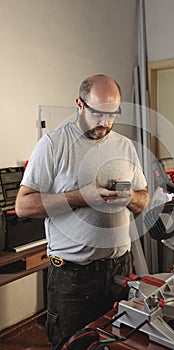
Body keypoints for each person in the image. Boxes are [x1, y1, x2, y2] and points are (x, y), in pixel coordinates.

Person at [15, 74, 149, 350]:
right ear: (79, 104)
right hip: (72, 279)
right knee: (70, 345)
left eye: (112, 114)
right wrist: (79, 197)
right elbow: (23, 205)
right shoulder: (53, 145)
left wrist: (129, 198)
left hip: (119, 269)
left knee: (118, 343)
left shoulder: (125, 147)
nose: (105, 123)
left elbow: (144, 199)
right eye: (98, 113)